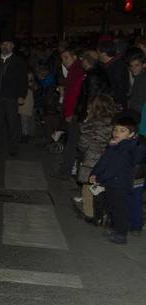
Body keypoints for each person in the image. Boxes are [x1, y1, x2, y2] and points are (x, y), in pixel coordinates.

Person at [90, 114, 138, 244]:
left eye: (122, 131)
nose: (117, 133)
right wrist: (94, 173)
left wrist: (99, 177)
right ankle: (116, 230)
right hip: (111, 182)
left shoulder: (126, 148)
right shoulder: (114, 145)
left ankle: (121, 234)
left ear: (131, 134)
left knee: (119, 209)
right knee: (112, 207)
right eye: (115, 129)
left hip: (119, 183)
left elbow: (114, 168)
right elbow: (104, 161)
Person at [77, 95, 119, 222]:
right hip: (109, 160)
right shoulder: (115, 123)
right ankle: (104, 214)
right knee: (104, 187)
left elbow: (83, 144)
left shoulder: (91, 123)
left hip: (91, 160)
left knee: (88, 186)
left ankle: (90, 214)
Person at [0, 39, 28, 156]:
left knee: (12, 124)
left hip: (11, 97)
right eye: (3, 44)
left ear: (12, 46)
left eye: (8, 44)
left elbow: (23, 79)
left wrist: (22, 95)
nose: (5, 46)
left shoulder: (18, 61)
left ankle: (13, 148)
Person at [58, 47, 85, 177]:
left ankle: (66, 171)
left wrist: (68, 112)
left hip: (75, 112)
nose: (63, 61)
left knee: (72, 142)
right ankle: (68, 169)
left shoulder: (76, 70)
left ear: (74, 57)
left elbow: (73, 95)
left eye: (66, 57)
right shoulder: (74, 70)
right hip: (75, 111)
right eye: (62, 58)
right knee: (72, 141)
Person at [98, 40, 130, 109]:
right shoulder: (111, 65)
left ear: (103, 54)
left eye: (98, 53)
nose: (98, 55)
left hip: (116, 105)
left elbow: (119, 88)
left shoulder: (117, 66)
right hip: (111, 103)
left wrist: (116, 104)